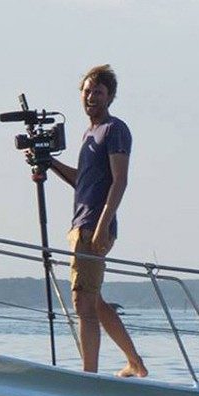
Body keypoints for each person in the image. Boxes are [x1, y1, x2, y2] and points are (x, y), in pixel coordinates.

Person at [36, 64, 146, 378]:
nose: (91, 97)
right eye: (87, 91)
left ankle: (89, 376)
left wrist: (101, 225)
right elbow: (82, 180)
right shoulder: (88, 134)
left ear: (110, 96)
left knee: (81, 303)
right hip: (79, 223)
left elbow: (119, 180)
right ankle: (135, 362)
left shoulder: (114, 129)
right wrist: (50, 162)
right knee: (94, 300)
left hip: (94, 225)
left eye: (98, 92)